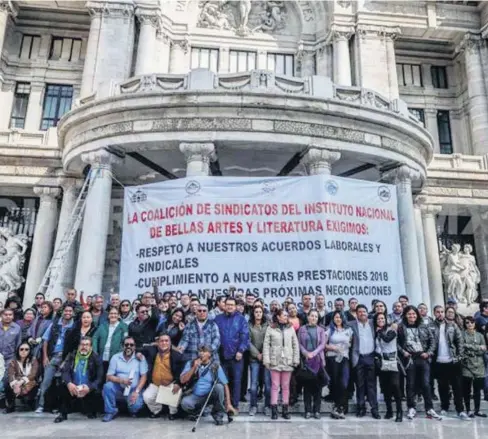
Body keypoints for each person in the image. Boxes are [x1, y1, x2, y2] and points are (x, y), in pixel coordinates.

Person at [397, 305, 441, 420]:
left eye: (414, 314)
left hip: (423, 357)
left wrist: (429, 353)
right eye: (409, 314)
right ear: (405, 315)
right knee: (410, 384)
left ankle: (429, 408)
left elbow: (433, 341)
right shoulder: (401, 327)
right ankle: (411, 407)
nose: (412, 316)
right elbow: (396, 343)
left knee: (426, 383)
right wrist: (403, 352)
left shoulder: (423, 326)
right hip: (410, 358)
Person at [180, 345, 234, 426]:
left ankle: (217, 414)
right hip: (195, 395)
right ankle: (197, 411)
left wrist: (228, 403)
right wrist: (194, 367)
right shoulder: (191, 363)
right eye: (200, 351)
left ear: (209, 354)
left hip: (210, 395)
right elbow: (183, 380)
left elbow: (225, 385)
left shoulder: (215, 366)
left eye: (204, 351)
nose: (201, 353)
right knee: (184, 403)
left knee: (219, 387)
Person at [54, 337, 103, 423]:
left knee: (97, 392)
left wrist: (89, 387)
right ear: (78, 346)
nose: (84, 347)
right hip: (74, 387)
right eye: (82, 344)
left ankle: (90, 411)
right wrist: (69, 383)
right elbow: (65, 372)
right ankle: (63, 414)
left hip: (87, 388)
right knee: (62, 386)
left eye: (87, 345)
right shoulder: (72, 355)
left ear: (91, 347)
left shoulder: (96, 358)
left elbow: (99, 377)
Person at [36, 304, 75, 413]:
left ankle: (58, 407)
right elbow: (45, 340)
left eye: (70, 311)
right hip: (52, 356)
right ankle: (41, 405)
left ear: (73, 313)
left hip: (66, 358)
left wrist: (66, 360)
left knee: (62, 384)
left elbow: (74, 345)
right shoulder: (54, 324)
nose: (68, 313)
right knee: (46, 381)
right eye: (66, 310)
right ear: (62, 312)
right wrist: (45, 357)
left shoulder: (74, 326)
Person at [263, 309, 299, 420]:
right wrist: (266, 360)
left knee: (285, 386)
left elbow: (295, 345)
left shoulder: (290, 328)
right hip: (275, 361)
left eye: (286, 315)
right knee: (274, 386)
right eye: (284, 315)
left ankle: (285, 409)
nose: (286, 317)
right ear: (278, 317)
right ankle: (274, 409)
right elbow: (266, 345)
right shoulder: (271, 328)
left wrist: (295, 359)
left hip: (287, 361)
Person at [214, 297, 249, 411]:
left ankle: (235, 405)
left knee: (236, 381)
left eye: (232, 305)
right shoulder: (218, 319)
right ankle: (223, 404)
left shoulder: (241, 319)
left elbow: (245, 337)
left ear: (235, 306)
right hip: (221, 356)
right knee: (222, 381)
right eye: (227, 304)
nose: (229, 306)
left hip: (236, 356)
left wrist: (241, 350)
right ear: (224, 305)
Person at [433, 305, 467, 420]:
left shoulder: (453, 326)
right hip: (439, 361)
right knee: (443, 387)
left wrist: (459, 357)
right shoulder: (432, 326)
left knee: (457, 387)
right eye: (438, 312)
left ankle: (460, 410)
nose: (440, 314)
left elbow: (460, 342)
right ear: (434, 313)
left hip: (452, 361)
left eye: (442, 311)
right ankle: (444, 407)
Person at [102, 336, 147, 422]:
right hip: (119, 387)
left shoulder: (140, 358)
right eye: (126, 345)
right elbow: (109, 376)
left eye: (131, 345)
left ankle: (131, 409)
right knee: (107, 386)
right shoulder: (115, 357)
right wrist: (121, 380)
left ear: (135, 346)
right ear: (122, 346)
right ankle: (110, 412)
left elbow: (144, 376)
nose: (129, 347)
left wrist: (136, 391)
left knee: (135, 407)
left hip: (133, 389)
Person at [141, 333, 185, 419]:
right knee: (147, 396)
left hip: (170, 383)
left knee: (177, 392)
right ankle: (157, 410)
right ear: (158, 342)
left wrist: (178, 383)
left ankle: (173, 413)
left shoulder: (177, 356)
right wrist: (138, 353)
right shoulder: (152, 350)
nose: (164, 343)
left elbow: (181, 372)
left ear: (170, 343)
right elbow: (138, 348)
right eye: (161, 341)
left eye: (166, 341)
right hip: (155, 384)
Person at [349, 304, 380, 419]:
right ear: (356, 314)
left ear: (368, 313)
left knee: (372, 385)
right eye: (360, 312)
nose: (362, 313)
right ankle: (361, 408)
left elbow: (386, 322)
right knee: (360, 385)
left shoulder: (373, 323)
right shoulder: (351, 324)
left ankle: (374, 409)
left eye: (364, 311)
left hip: (371, 357)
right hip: (359, 358)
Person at [297, 309, 326, 419]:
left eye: (316, 316)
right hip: (306, 361)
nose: (314, 318)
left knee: (318, 387)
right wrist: (305, 353)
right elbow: (299, 343)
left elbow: (323, 344)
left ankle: (317, 411)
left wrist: (313, 353)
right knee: (307, 387)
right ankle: (307, 410)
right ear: (308, 317)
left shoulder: (321, 330)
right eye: (312, 316)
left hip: (318, 361)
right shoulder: (302, 329)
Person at [374, 312, 402, 422]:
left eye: (382, 318)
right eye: (378, 319)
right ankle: (389, 410)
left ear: (386, 319)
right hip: (381, 362)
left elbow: (387, 339)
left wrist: (379, 331)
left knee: (395, 385)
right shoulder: (376, 332)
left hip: (392, 361)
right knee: (385, 387)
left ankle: (399, 411)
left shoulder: (392, 329)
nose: (380, 320)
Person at [325, 310, 353, 419]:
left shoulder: (349, 330)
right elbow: (324, 345)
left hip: (344, 358)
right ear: (333, 319)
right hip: (332, 358)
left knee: (344, 382)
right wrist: (334, 347)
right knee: (336, 383)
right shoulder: (329, 330)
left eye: (340, 317)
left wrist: (347, 345)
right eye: (336, 317)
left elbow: (351, 343)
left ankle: (341, 406)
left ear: (343, 318)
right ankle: (338, 407)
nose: (338, 319)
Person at [461, 316, 487, 417]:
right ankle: (468, 410)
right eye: (467, 322)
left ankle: (477, 410)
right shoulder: (462, 335)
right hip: (466, 365)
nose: (470, 324)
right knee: (466, 389)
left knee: (477, 390)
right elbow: (462, 346)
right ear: (465, 324)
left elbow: (484, 349)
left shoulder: (480, 335)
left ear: (475, 323)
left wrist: (471, 348)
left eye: (472, 322)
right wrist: (476, 347)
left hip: (479, 365)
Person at [4, 342, 39, 413]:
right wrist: (15, 384)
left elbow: (33, 374)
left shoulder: (34, 360)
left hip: (30, 383)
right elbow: (11, 374)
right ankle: (11, 405)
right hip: (17, 383)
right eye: (21, 349)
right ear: (18, 350)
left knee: (31, 391)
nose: (23, 351)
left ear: (29, 351)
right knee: (7, 384)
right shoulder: (13, 361)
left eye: (26, 349)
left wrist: (22, 381)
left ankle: (29, 402)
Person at [248, 304, 270, 416]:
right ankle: (253, 406)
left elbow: (270, 341)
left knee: (268, 385)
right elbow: (248, 342)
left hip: (266, 359)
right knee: (253, 386)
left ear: (263, 314)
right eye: (256, 312)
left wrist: (264, 354)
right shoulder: (249, 325)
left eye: (260, 312)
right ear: (253, 313)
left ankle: (267, 406)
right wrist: (257, 354)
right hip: (254, 359)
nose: (258, 314)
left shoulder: (268, 325)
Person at [92, 307, 128, 374]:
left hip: (115, 358)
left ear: (118, 315)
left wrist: (118, 354)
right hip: (102, 356)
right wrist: (95, 351)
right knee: (101, 376)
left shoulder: (123, 326)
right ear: (108, 315)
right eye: (111, 313)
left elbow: (125, 342)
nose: (113, 315)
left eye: (115, 313)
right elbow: (95, 337)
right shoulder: (103, 325)